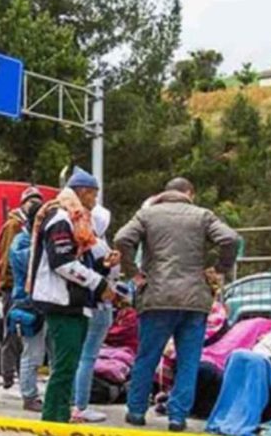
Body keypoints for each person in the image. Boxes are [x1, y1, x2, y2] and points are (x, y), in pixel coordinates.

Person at [115, 177, 239, 432]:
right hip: (195, 299)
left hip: (156, 297)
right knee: (188, 361)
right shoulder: (203, 215)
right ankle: (177, 417)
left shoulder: (147, 215)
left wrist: (133, 272)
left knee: (147, 357)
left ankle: (136, 411)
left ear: (165, 193)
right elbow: (230, 239)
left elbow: (122, 238)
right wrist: (219, 269)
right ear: (189, 193)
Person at [30, 167, 115, 423]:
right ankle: (52, 422)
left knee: (67, 366)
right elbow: (62, 262)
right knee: (64, 369)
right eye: (93, 196)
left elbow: (79, 260)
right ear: (83, 192)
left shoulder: (74, 220)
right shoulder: (61, 218)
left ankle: (61, 418)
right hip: (62, 303)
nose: (95, 202)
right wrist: (99, 283)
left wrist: (103, 266)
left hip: (74, 303)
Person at [205, 308, 271, 435]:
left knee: (253, 361)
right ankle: (228, 416)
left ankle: (242, 420)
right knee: (239, 356)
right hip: (263, 366)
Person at [71, 204, 120, 423]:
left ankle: (73, 400)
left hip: (83, 305)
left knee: (78, 355)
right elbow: (110, 276)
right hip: (99, 305)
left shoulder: (80, 240)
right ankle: (81, 404)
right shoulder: (99, 245)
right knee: (88, 356)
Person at [0, 187, 44, 388]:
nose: (34, 203)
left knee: (23, 337)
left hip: (19, 288)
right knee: (13, 333)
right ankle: (8, 374)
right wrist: (9, 282)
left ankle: (17, 374)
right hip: (14, 288)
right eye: (30, 200)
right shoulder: (15, 227)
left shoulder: (27, 226)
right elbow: (7, 258)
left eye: (37, 200)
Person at [7, 200, 46, 412]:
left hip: (47, 302)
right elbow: (30, 263)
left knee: (49, 352)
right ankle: (29, 395)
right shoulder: (21, 242)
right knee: (32, 352)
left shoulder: (31, 240)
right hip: (28, 303)